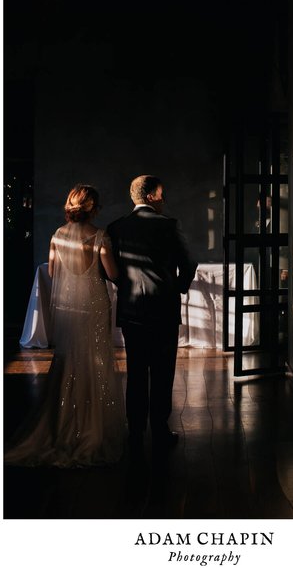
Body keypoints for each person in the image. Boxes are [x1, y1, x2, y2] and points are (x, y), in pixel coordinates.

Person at [4, 185, 126, 467]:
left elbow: (53, 272)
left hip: (69, 306)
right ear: (93, 208)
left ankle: (64, 425)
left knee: (69, 359)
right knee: (95, 361)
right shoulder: (100, 236)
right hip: (95, 304)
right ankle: (93, 426)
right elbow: (112, 274)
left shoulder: (58, 236)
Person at [107, 175, 197, 451]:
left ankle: (135, 432)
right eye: (162, 194)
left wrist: (126, 285)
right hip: (164, 311)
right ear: (151, 197)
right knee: (162, 372)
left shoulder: (116, 227)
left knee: (136, 372)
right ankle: (159, 428)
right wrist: (177, 288)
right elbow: (189, 263)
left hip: (133, 311)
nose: (164, 198)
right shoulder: (168, 225)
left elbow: (107, 269)